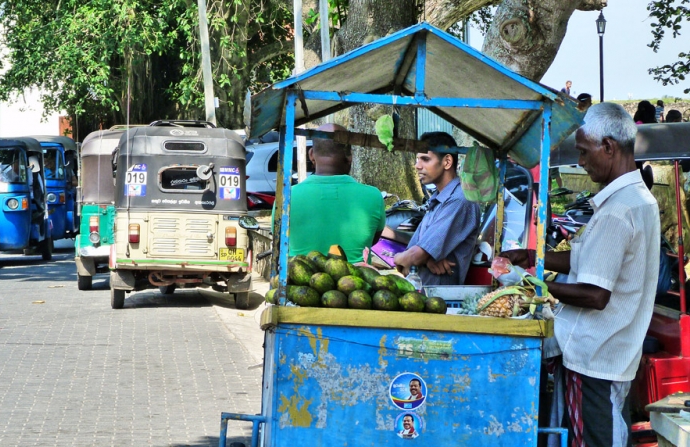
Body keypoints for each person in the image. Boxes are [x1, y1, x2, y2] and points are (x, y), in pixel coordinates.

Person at [502, 102, 660, 447]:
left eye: (584, 151)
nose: (581, 160)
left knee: (595, 438)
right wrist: (534, 257)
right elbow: (589, 259)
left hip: (597, 356)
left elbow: (594, 294)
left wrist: (535, 284)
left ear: (608, 147)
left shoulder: (619, 210)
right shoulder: (636, 200)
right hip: (605, 354)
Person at [280, 123, 386, 263]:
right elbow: (373, 239)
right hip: (357, 282)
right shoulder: (373, 196)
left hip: (300, 283)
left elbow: (280, 239)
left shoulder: (286, 197)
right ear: (350, 156)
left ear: (311, 154)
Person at [391, 132, 481, 285]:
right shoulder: (437, 199)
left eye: (425, 159)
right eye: (417, 159)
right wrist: (426, 260)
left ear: (447, 162)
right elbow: (408, 264)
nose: (417, 166)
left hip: (441, 301)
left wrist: (398, 258)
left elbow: (412, 257)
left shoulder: (459, 200)